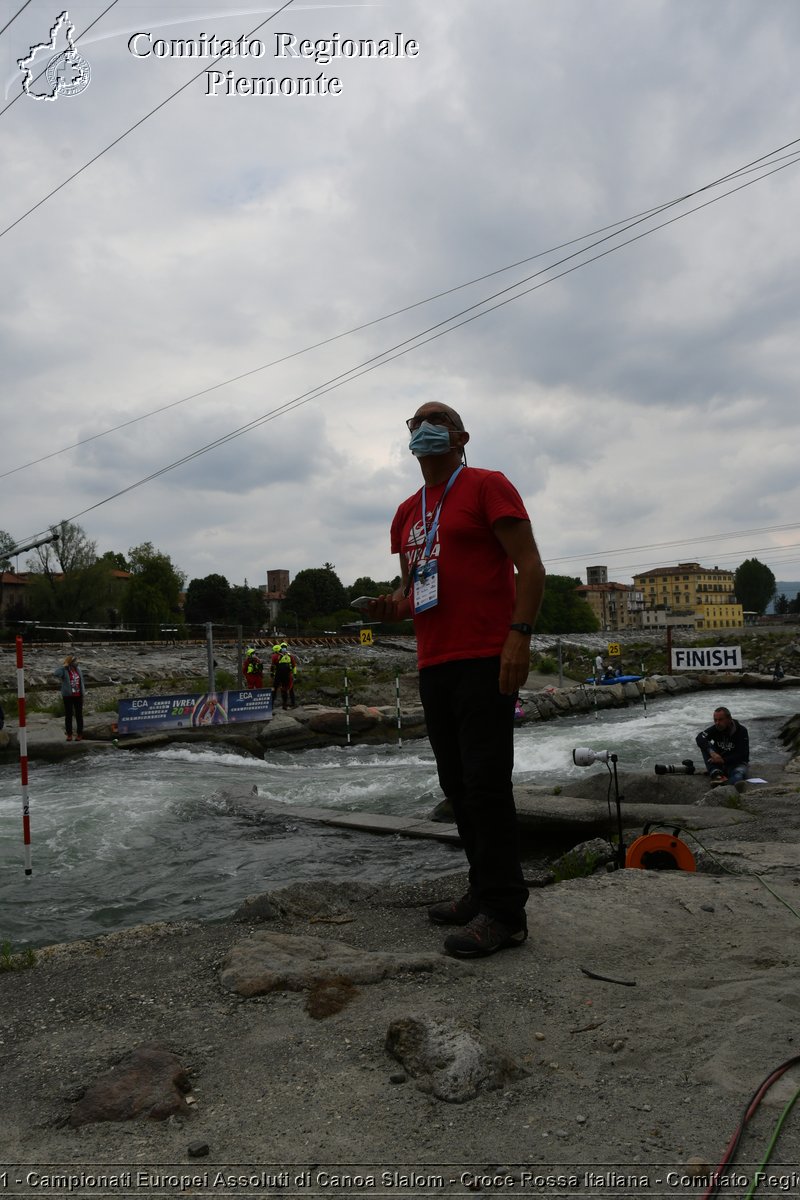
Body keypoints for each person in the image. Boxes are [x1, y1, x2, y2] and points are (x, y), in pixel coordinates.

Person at [371, 402, 545, 958]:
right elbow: (413, 593)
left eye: (437, 419)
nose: (424, 427)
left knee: (488, 784)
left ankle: (505, 914)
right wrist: (388, 608)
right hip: (434, 662)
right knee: (456, 787)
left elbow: (531, 567)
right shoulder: (405, 512)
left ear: (461, 435)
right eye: (416, 422)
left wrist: (518, 637)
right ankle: (482, 888)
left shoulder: (487, 485)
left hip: (486, 657)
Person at [695, 706, 750, 786]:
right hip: (719, 764)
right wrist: (712, 753)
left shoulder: (741, 731)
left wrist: (723, 760)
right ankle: (717, 774)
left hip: (736, 763)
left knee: (738, 774)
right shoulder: (716, 728)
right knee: (706, 745)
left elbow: (742, 754)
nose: (717, 723)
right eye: (715, 720)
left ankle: (728, 785)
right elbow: (700, 737)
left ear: (729, 719)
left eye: (720, 720)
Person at [53, 654, 86, 742]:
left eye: (76, 661)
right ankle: (69, 734)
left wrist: (83, 692)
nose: (76, 662)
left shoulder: (78, 669)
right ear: (70, 662)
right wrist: (64, 666)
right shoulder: (64, 670)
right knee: (69, 715)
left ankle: (79, 734)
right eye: (75, 661)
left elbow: (81, 681)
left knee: (79, 715)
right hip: (68, 696)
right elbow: (55, 674)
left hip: (78, 695)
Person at [271, 642, 298, 709]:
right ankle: (275, 704)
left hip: (287, 675)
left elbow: (294, 666)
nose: (283, 648)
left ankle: (288, 703)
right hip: (282, 675)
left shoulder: (289, 656)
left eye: (284, 647)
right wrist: (272, 674)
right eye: (282, 647)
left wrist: (294, 674)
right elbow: (273, 666)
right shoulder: (277, 656)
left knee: (286, 689)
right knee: (278, 689)